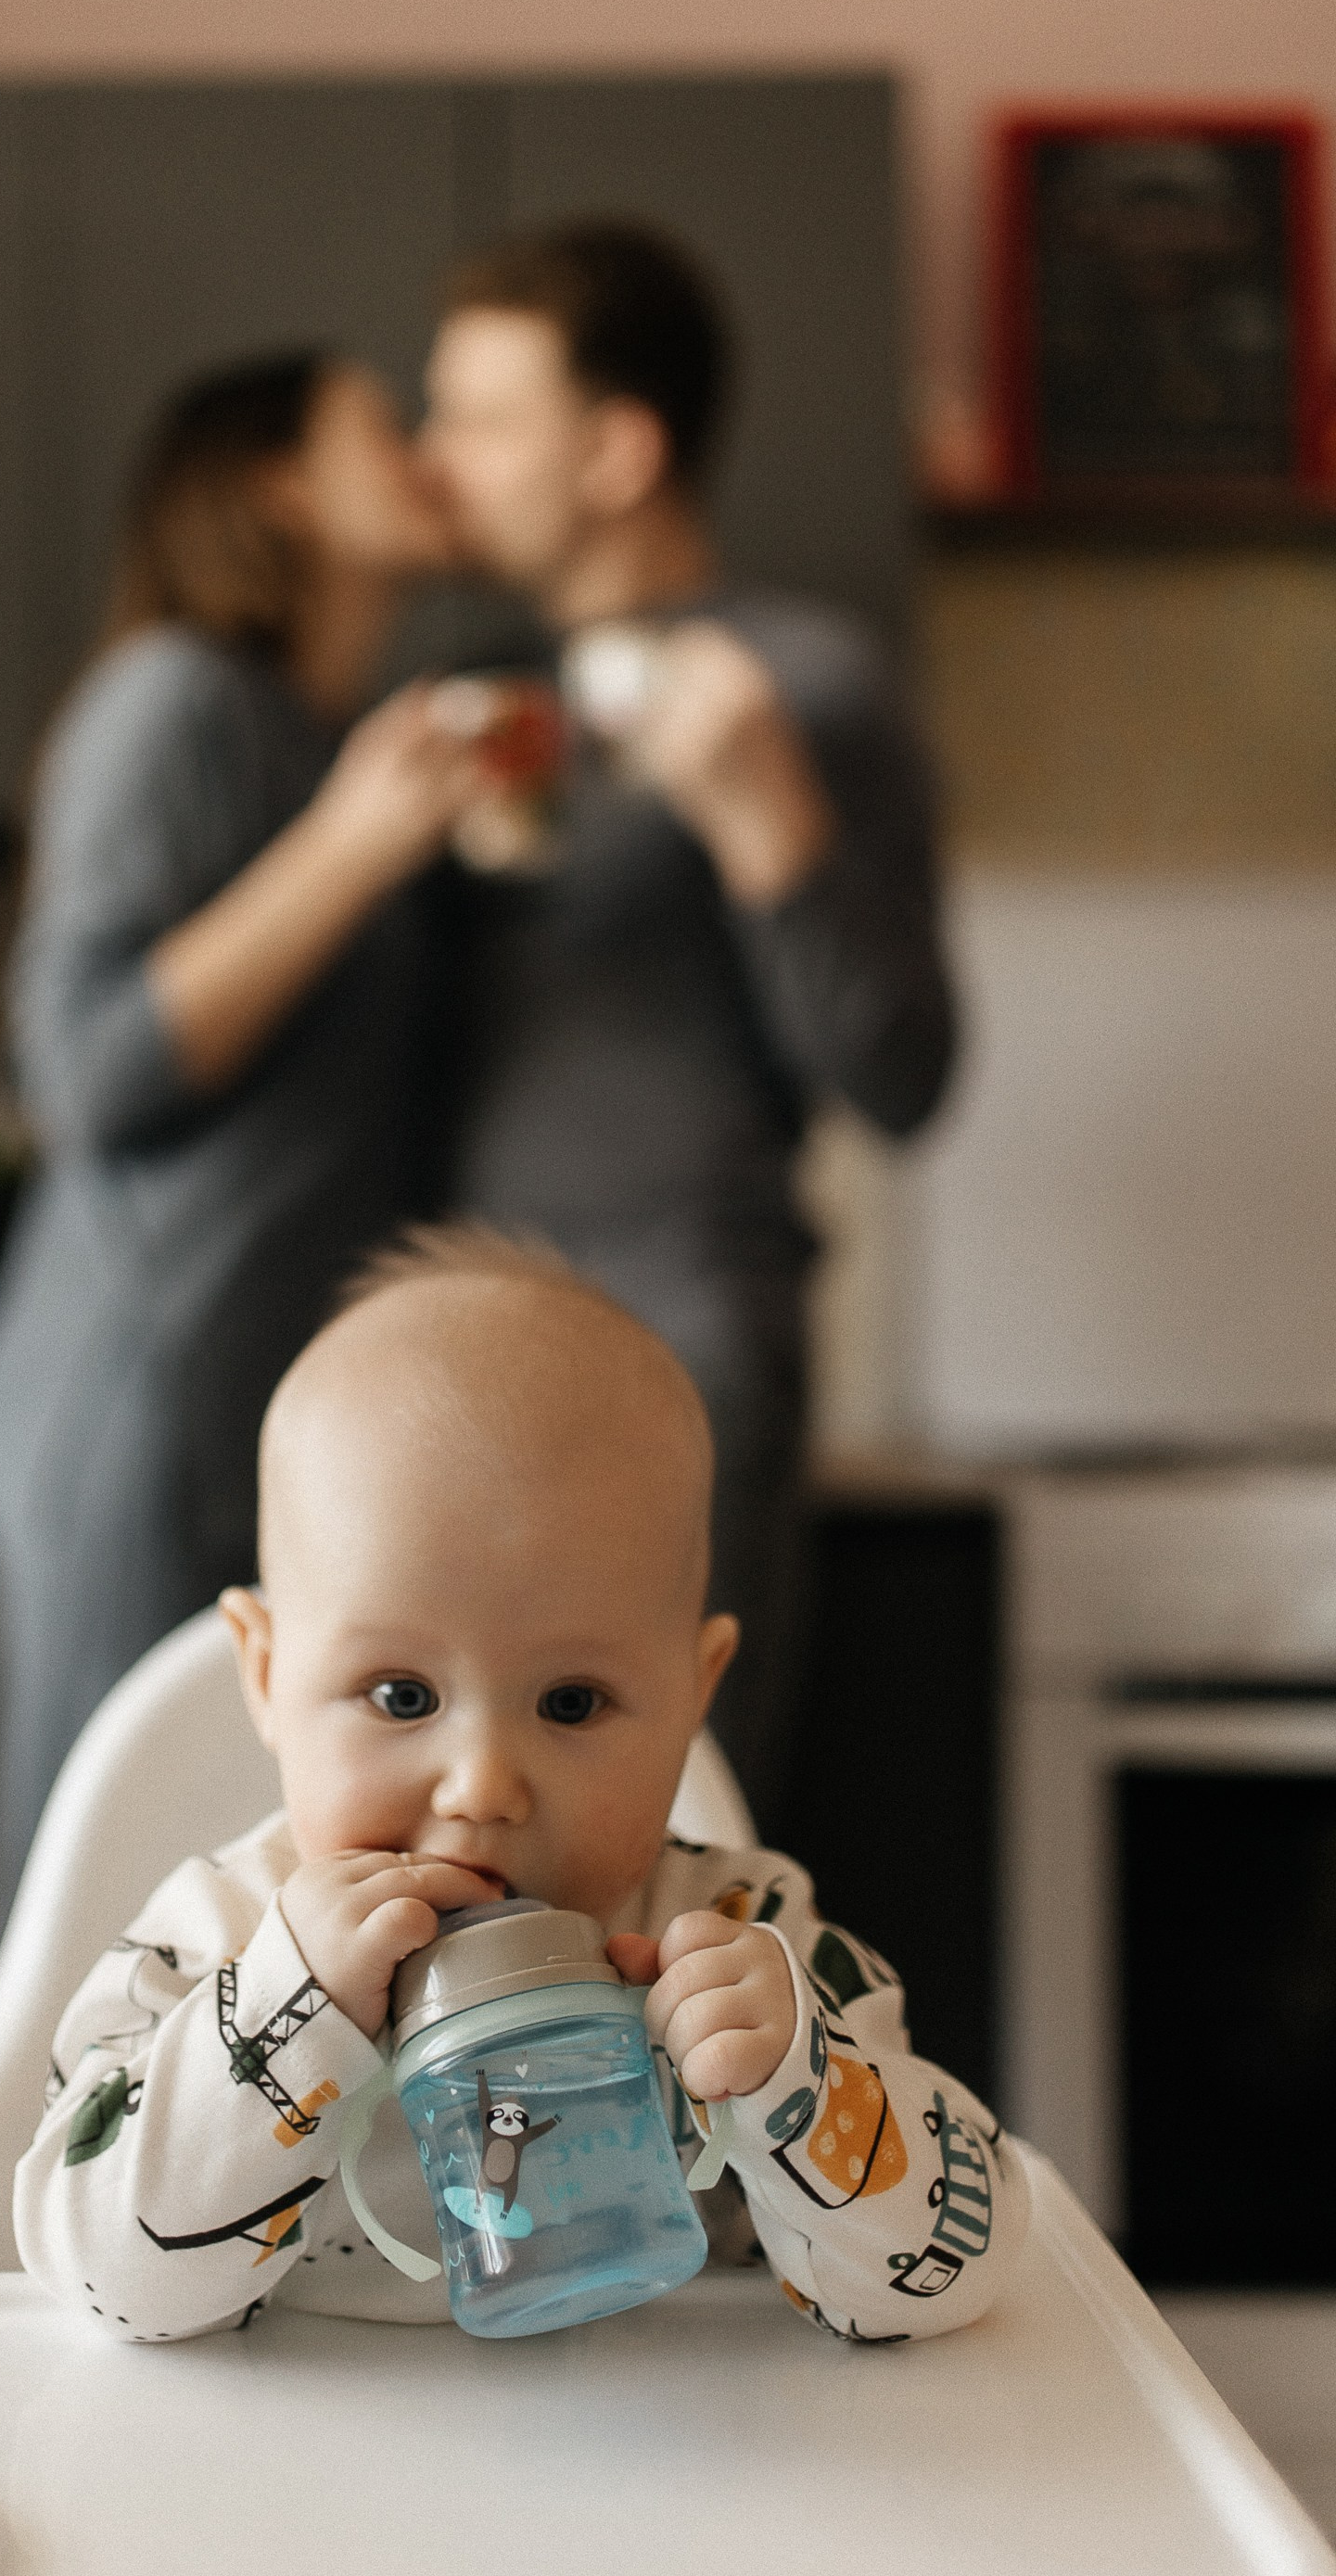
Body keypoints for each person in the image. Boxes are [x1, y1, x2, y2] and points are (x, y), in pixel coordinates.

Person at [14, 1228, 1024, 2343]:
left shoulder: (749, 1938)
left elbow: (957, 2263)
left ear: (693, 1697)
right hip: (311, 2486)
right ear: (265, 1673)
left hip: (678, 2475)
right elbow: (97, 2277)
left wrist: (797, 2081)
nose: (483, 1787)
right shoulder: (209, 1946)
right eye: (400, 1696)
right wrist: (285, 2016)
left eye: (571, 1703)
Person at [0, 352, 486, 1981]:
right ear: (278, 488)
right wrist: (358, 843)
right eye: (381, 428)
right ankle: (14, 2243)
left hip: (237, 1411)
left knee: (216, 1934)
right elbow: (84, 1069)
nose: (426, 453)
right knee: (88, 1930)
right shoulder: (175, 698)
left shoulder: (315, 731)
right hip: (134, 1404)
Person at [418, 221, 958, 1831]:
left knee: (670, 1850)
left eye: (483, 418)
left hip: (689, 1335)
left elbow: (905, 1075)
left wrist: (777, 831)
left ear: (618, 448)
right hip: (448, 1347)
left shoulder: (806, 686)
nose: (442, 463)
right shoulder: (463, 695)